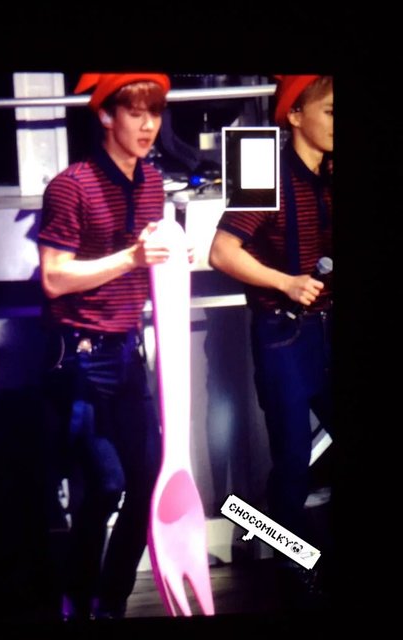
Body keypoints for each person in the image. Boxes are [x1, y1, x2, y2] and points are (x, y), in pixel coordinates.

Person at [37, 73, 174, 621]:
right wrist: (132, 258)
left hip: (128, 354)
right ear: (105, 115)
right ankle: (75, 599)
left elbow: (147, 262)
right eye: (136, 112)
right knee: (105, 486)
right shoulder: (71, 185)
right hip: (81, 357)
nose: (148, 125)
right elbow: (54, 278)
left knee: (148, 483)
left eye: (155, 113)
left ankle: (110, 604)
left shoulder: (153, 182)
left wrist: (170, 257)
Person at [209, 75, 333, 605]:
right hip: (283, 332)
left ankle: (294, 548)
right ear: (296, 116)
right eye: (331, 111)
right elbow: (221, 252)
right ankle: (292, 569)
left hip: (326, 331)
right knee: (292, 463)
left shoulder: (331, 171)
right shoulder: (264, 168)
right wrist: (286, 282)